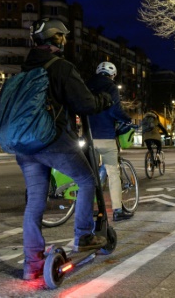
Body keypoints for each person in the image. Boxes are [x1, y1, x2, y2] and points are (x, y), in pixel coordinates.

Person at [15, 18, 113, 280]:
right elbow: (86, 103)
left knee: (36, 200)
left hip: (25, 145)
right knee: (86, 179)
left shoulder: (24, 71)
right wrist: (104, 99)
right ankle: (83, 235)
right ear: (56, 38)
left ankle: (31, 262)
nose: (66, 41)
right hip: (52, 140)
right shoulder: (61, 67)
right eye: (64, 36)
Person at [87, 61, 135, 222]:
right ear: (112, 75)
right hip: (106, 135)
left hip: (88, 136)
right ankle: (117, 210)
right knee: (113, 173)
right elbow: (114, 109)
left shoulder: (87, 84)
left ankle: (89, 209)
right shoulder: (111, 86)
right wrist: (127, 119)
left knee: (90, 174)